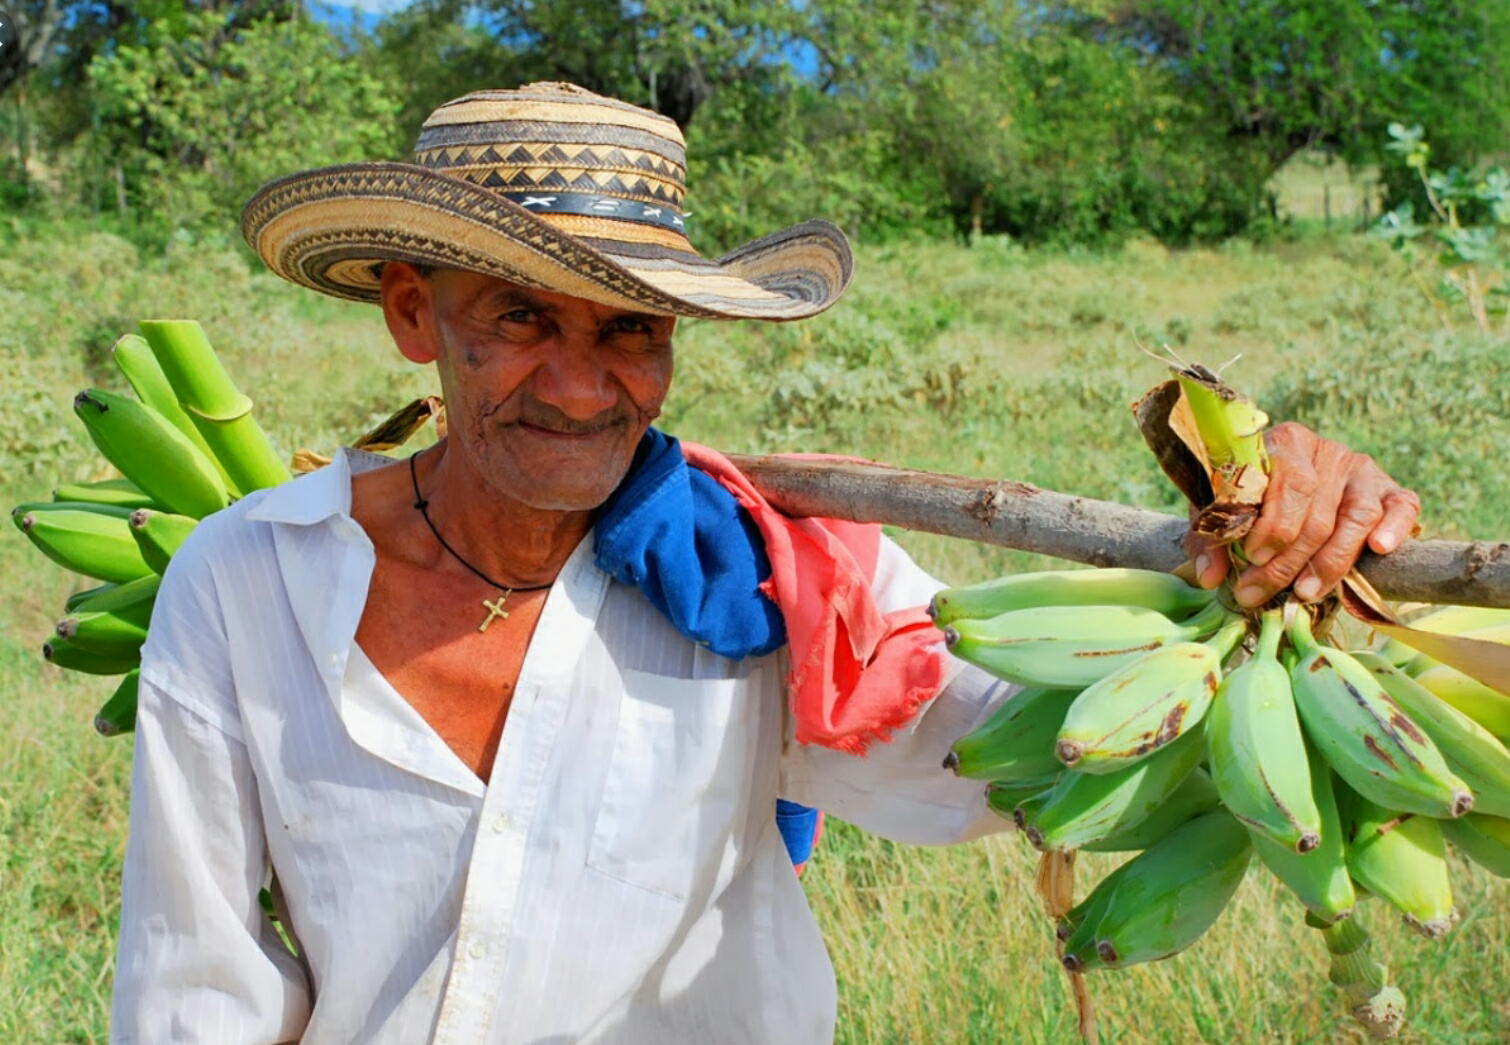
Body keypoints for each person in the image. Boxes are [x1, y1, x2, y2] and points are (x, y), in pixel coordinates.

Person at [109, 82, 1421, 1045]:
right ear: (413, 314)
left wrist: (1272, 530)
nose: (579, 385)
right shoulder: (246, 584)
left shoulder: (767, 583)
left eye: (631, 328)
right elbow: (195, 989)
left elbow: (1025, 757)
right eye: (518, 318)